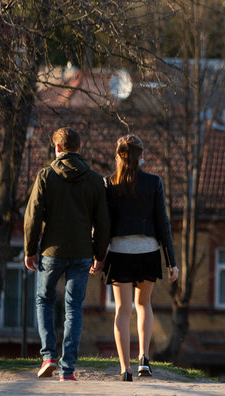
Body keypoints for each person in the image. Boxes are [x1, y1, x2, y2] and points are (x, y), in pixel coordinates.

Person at [24, 127, 109, 382]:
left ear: (57, 148)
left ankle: (48, 356)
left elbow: (32, 215)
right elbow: (103, 222)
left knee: (44, 300)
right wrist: (99, 254)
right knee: (74, 309)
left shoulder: (46, 176)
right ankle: (68, 369)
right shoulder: (95, 180)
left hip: (52, 251)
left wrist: (29, 250)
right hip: (82, 252)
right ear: (79, 148)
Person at [103, 134, 179, 382]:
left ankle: (125, 369)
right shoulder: (154, 182)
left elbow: (103, 225)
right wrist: (171, 262)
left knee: (122, 311)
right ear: (141, 156)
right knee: (143, 305)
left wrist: (97, 256)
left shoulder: (109, 184)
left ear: (118, 155)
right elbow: (163, 223)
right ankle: (143, 359)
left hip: (119, 252)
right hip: (148, 251)